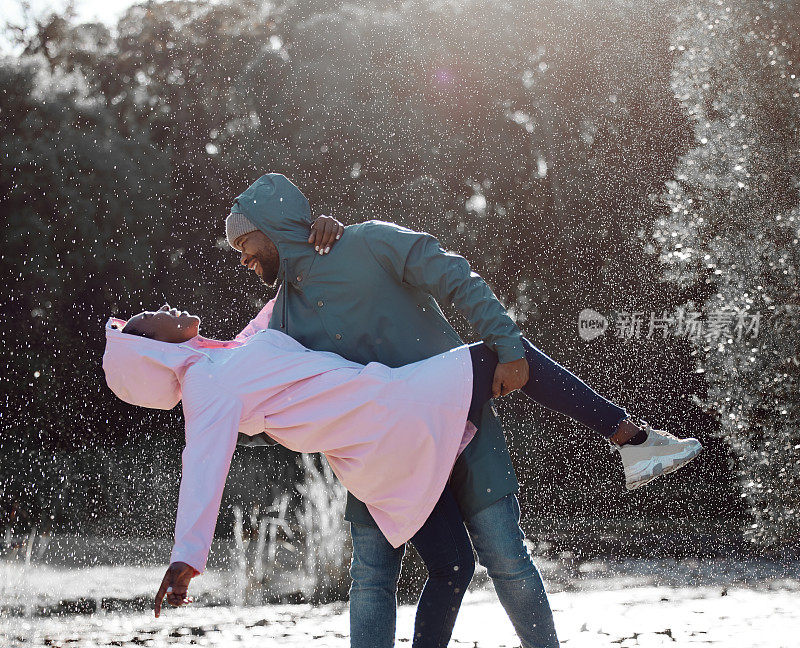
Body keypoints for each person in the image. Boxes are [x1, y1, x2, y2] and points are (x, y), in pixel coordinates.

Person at [222, 172, 701, 648]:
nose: (241, 257)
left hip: (461, 422)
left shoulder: (368, 242)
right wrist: (241, 424)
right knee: (376, 575)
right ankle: (634, 440)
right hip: (381, 459)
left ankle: (635, 444)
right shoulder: (280, 321)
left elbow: (454, 275)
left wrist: (508, 346)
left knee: (508, 560)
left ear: (275, 224)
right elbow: (276, 403)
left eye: (244, 240)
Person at [102, 303, 701, 645]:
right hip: (393, 410)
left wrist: (322, 235)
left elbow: (287, 292)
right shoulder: (205, 385)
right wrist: (186, 557)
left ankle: (635, 441)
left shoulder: (229, 355)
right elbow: (203, 463)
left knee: (453, 565)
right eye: (146, 319)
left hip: (380, 445)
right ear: (148, 350)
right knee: (499, 354)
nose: (161, 309)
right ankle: (634, 438)